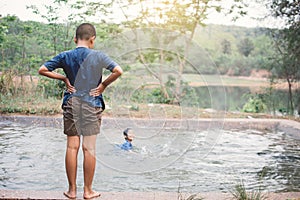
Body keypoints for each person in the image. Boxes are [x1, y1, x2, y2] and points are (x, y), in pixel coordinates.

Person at [38, 23, 123, 199]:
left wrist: (63, 78)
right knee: (89, 148)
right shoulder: (98, 56)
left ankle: (71, 190)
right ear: (92, 39)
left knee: (71, 147)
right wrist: (103, 85)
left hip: (72, 102)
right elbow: (118, 71)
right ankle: (88, 191)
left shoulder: (66, 55)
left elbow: (43, 70)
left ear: (75, 39)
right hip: (93, 103)